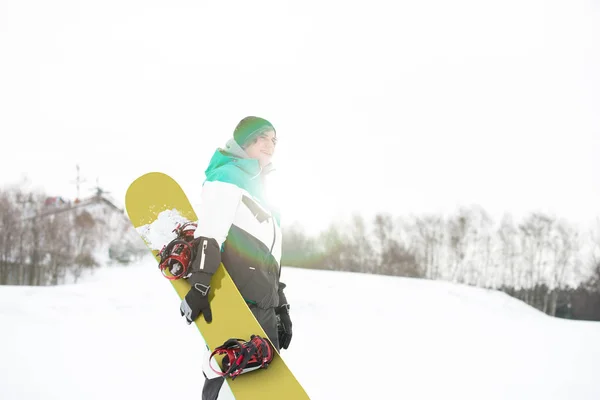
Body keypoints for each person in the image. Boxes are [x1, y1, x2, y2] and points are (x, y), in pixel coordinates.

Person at [179, 116, 293, 400]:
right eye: (262, 138)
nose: (270, 145)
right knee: (226, 373)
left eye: (274, 140)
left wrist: (282, 306)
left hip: (264, 304)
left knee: (262, 387)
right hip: (237, 300)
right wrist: (201, 283)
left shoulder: (264, 192)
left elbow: (271, 258)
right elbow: (210, 234)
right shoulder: (228, 177)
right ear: (245, 142)